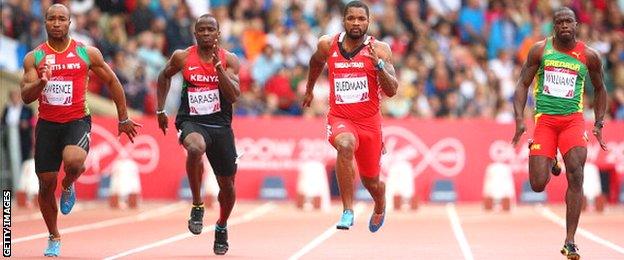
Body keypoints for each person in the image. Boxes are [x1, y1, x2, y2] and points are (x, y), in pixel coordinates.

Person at [19, 4, 140, 257]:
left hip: (77, 120)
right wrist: (41, 83)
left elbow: (112, 81)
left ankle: (69, 184)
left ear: (69, 23)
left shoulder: (86, 53)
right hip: (48, 125)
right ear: (45, 23)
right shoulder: (34, 57)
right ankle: (53, 235)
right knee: (44, 185)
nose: (56, 23)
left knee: (74, 162)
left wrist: (123, 117)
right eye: (51, 18)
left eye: (62, 19)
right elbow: (25, 96)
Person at [512, 7, 607, 260]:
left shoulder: (589, 56)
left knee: (576, 174)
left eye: (569, 21)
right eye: (559, 22)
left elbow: (600, 89)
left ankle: (570, 240)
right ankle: (551, 158)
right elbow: (522, 84)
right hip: (545, 122)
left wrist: (598, 122)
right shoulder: (540, 50)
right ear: (553, 26)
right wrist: (520, 120)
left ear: (576, 25)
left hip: (573, 122)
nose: (564, 25)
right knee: (538, 184)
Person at [303, 0, 398, 233]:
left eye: (361, 19)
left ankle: (380, 201)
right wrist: (309, 89)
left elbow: (392, 90)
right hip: (340, 117)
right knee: (345, 145)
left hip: (369, 123)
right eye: (351, 18)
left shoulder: (381, 50)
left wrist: (379, 66)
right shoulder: (328, 44)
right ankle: (348, 210)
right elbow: (315, 62)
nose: (356, 23)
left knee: (371, 182)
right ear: (344, 20)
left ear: (368, 21)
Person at [156, 14, 240, 255]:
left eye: (210, 30)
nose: (205, 34)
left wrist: (218, 69)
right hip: (191, 121)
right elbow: (164, 76)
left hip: (221, 126)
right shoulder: (182, 57)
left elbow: (234, 96)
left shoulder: (229, 60)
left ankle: (222, 225)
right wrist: (161, 109)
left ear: (218, 34)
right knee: (195, 147)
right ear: (195, 34)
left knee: (229, 187)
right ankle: (197, 204)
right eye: (201, 30)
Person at [1, 89, 34, 188]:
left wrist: (26, 124)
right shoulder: (7, 109)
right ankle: (9, 195)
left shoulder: (27, 109)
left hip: (23, 142)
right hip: (9, 142)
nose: (14, 98)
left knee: (24, 165)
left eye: (16, 96)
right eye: (12, 96)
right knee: (9, 167)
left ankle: (22, 189)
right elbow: (3, 122)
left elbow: (32, 123)